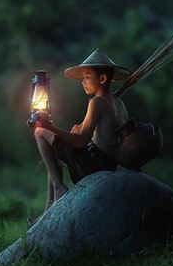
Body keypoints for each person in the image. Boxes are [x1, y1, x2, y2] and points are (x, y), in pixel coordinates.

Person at [29, 48, 131, 227]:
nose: (83, 82)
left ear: (102, 79)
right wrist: (81, 130)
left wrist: (49, 127)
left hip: (93, 163)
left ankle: (60, 189)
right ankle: (48, 211)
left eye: (87, 77)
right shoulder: (118, 103)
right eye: (82, 78)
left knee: (39, 132)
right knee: (52, 161)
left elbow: (82, 141)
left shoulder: (96, 102)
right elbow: (104, 136)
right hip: (107, 162)